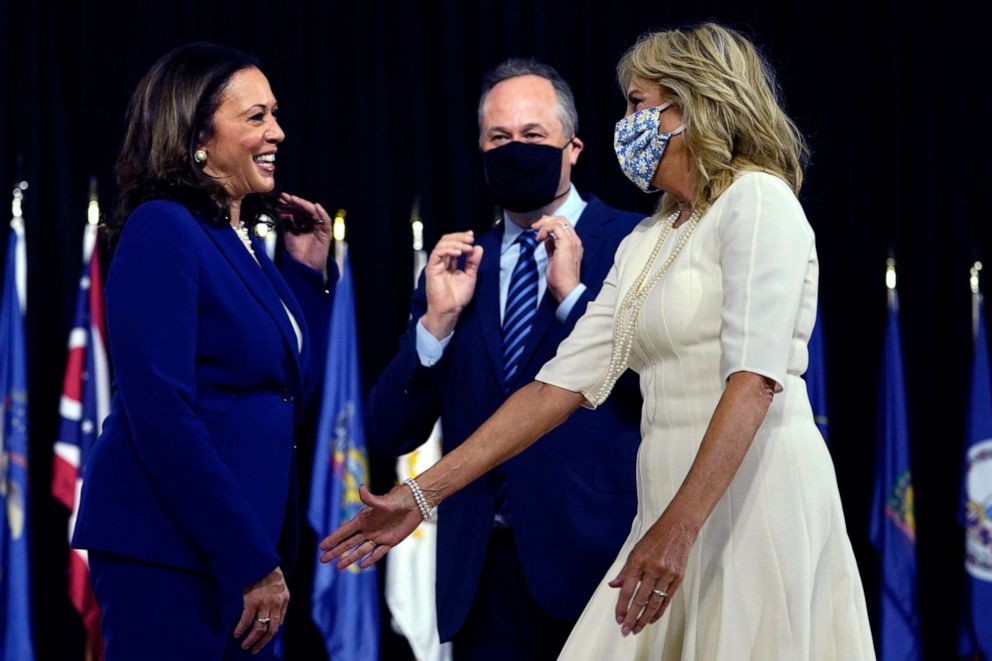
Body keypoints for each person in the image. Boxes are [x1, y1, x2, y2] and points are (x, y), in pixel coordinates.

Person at [322, 23, 876, 660]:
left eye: (639, 104)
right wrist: (421, 495)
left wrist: (679, 528)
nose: (628, 123)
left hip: (749, 501)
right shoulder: (650, 239)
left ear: (694, 106)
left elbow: (752, 380)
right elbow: (556, 387)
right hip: (664, 506)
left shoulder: (757, 201)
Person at [365, 59, 644, 659]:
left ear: (572, 148)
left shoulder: (633, 244)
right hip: (482, 572)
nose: (514, 150)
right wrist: (434, 326)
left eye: (532, 137)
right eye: (499, 139)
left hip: (603, 570)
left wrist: (574, 299)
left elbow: (655, 390)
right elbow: (390, 429)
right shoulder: (459, 264)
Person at [71, 43, 335, 660]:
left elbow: (287, 389)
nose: (279, 132)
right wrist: (247, 560)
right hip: (173, 552)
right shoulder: (162, 227)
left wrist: (306, 277)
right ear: (197, 135)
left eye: (275, 114)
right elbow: (160, 410)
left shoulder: (235, 240)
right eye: (256, 117)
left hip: (239, 549)